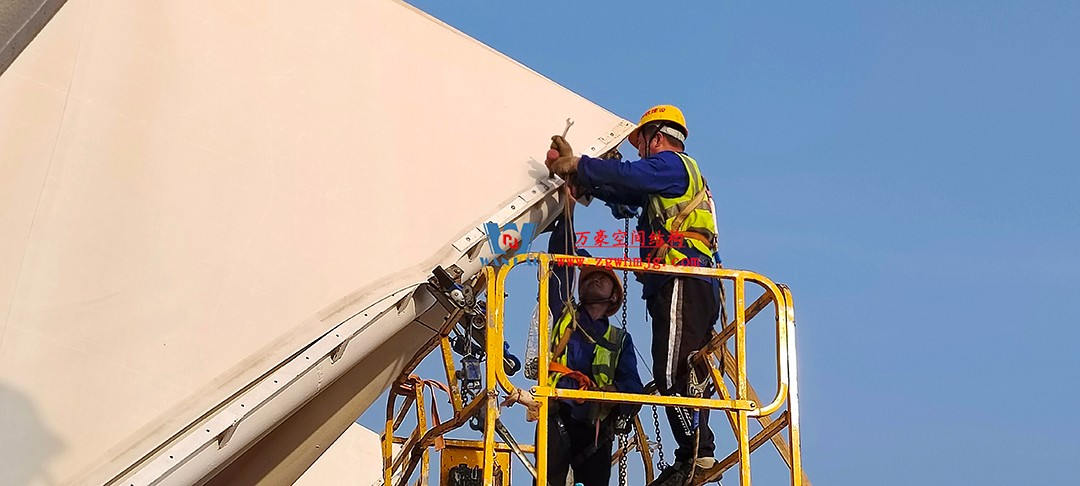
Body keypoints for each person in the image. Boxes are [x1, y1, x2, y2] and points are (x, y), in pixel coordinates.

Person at [545, 105, 722, 486]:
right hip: (684, 282)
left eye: (640, 143)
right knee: (685, 369)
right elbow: (625, 194)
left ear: (655, 138)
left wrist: (581, 165)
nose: (639, 152)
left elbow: (629, 176)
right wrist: (583, 180)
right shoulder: (667, 181)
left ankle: (696, 453)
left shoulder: (673, 165)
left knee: (673, 372)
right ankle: (695, 452)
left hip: (683, 277)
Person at [541, 211, 645, 486]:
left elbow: (634, 387)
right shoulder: (564, 316)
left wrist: (613, 392)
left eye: (602, 277)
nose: (593, 279)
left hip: (596, 430)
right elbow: (560, 265)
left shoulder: (619, 339)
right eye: (588, 277)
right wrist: (567, 212)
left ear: (613, 296)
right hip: (558, 415)